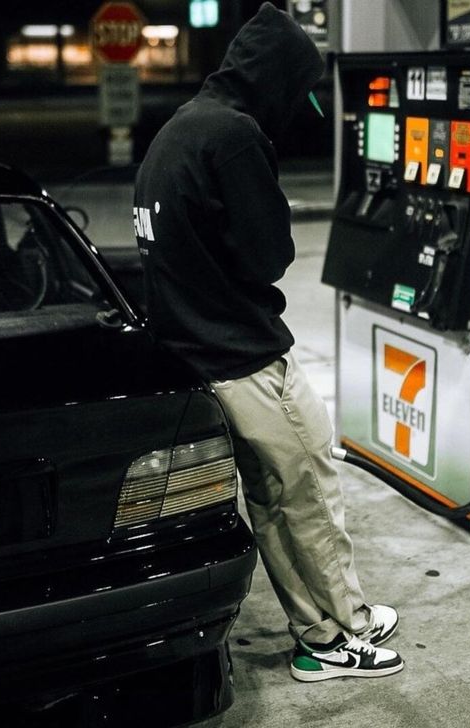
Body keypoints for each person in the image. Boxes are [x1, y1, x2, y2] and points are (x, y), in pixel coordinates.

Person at [133, 2, 404, 682]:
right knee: (306, 497)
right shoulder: (235, 136)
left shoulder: (181, 128)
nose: (297, 105)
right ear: (276, 76)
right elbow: (269, 256)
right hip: (246, 358)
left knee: (284, 498)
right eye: (298, 88)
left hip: (206, 354)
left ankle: (333, 621)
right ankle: (340, 633)